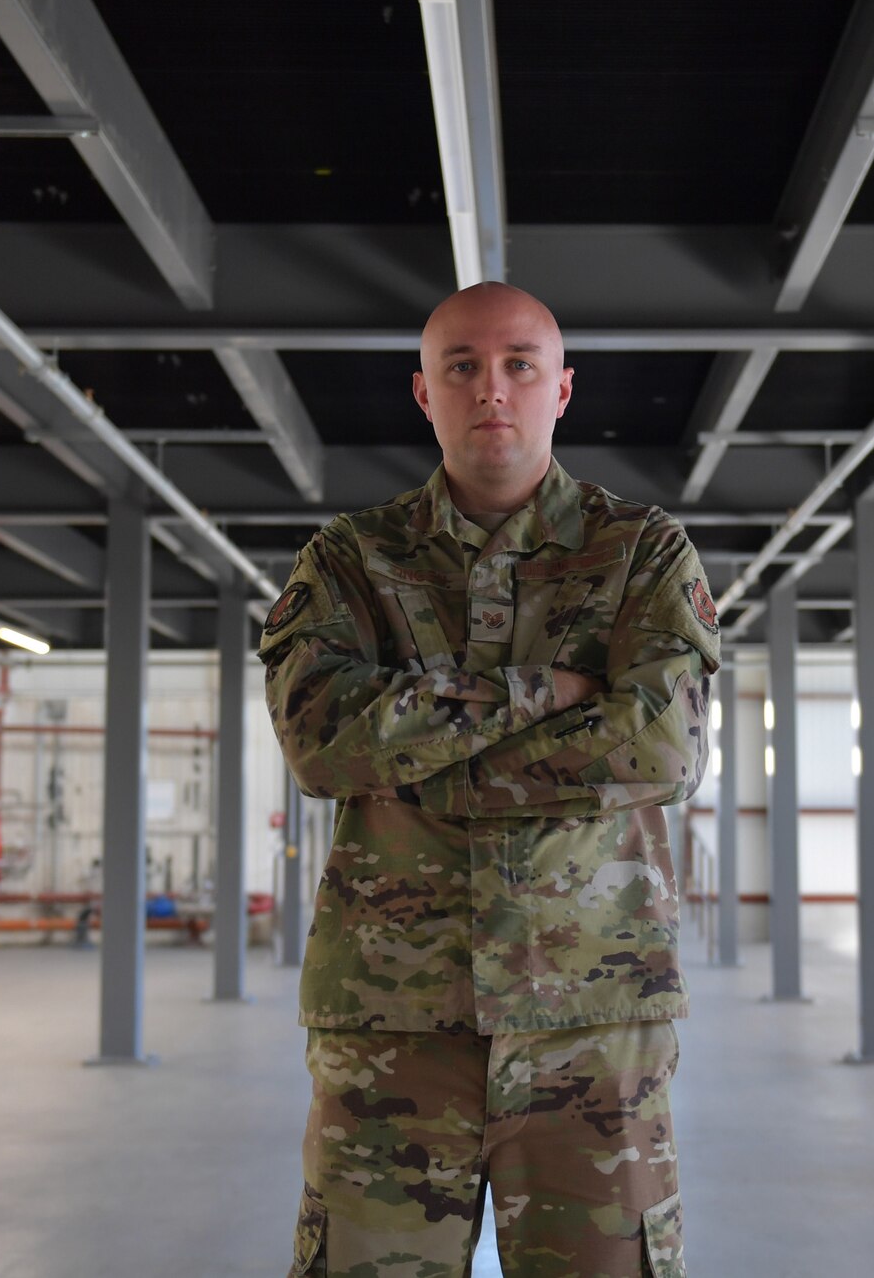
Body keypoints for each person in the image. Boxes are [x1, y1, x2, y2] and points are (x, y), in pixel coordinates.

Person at [259, 281, 719, 1276]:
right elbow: (320, 743)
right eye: (460, 366)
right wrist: (539, 694)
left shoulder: (638, 552)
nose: (490, 389)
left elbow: (658, 750)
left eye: (518, 364)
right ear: (423, 393)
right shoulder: (349, 560)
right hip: (391, 1022)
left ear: (561, 388)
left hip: (589, 1023)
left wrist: (415, 744)